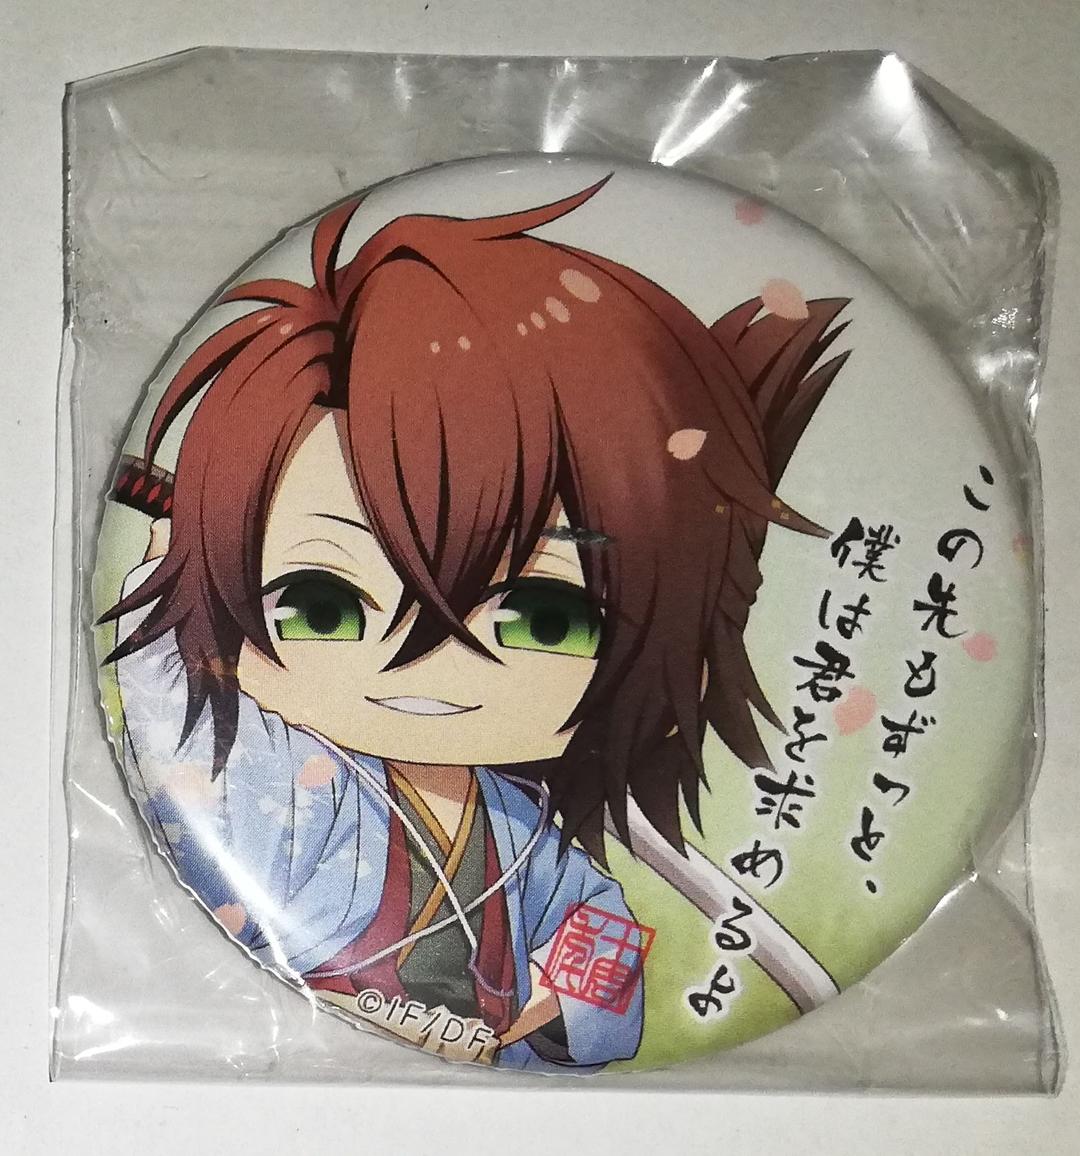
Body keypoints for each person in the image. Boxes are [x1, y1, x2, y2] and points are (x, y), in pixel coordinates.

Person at [103, 177, 851, 1071]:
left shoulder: (522, 832)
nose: (431, 662)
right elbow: (175, 719)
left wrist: (548, 1010)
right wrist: (167, 576)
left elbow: (596, 930)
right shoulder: (286, 777)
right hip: (283, 1048)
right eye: (324, 606)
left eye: (545, 618)